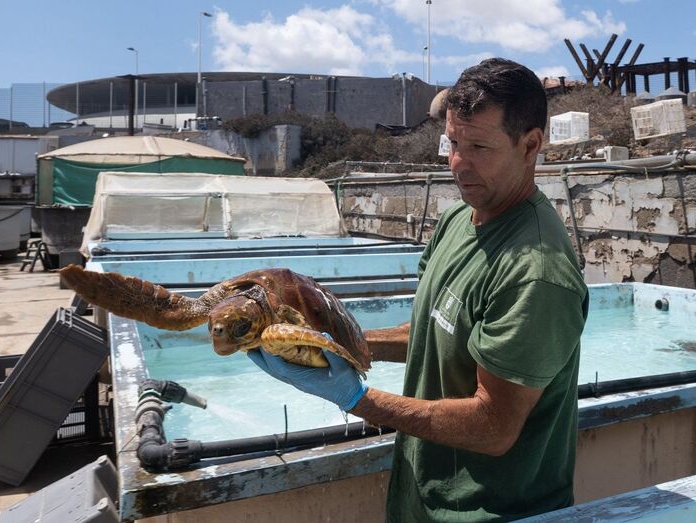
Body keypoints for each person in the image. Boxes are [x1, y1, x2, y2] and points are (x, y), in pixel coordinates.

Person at [248, 57, 588, 522]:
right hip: (421, 502)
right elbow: (434, 330)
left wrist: (356, 400)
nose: (457, 164)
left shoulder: (536, 271)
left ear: (530, 146)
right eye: (452, 143)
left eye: (479, 147)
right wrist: (339, 344)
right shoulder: (456, 219)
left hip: (490, 513)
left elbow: (493, 427)